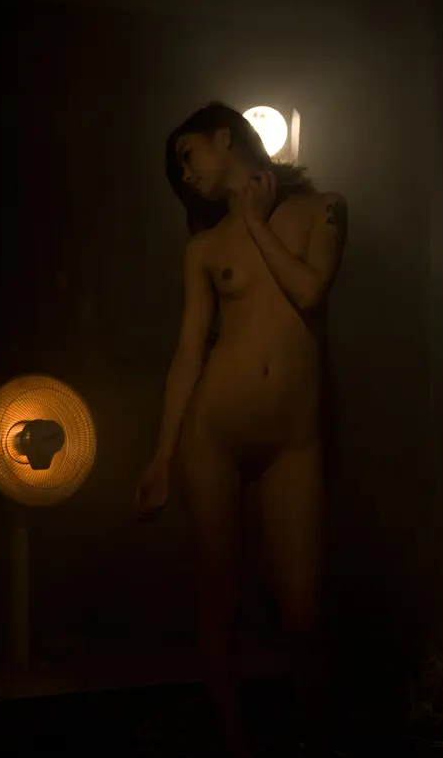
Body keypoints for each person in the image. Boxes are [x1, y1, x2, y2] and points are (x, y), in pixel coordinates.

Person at [135, 102, 347, 757]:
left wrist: (255, 220)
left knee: (303, 611)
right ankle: (235, 745)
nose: (184, 172)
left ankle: (312, 740)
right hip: (214, 436)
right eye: (178, 167)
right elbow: (188, 354)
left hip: (294, 441)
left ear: (224, 137)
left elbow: (310, 292)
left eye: (187, 153)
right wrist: (161, 454)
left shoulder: (324, 209)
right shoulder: (203, 248)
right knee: (221, 599)